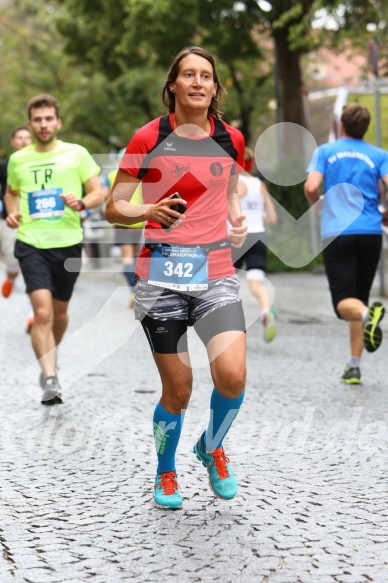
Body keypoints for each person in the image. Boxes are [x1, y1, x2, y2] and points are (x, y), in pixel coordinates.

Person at [105, 46, 248, 509]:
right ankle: (166, 474)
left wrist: (236, 217)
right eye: (188, 74)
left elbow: (228, 189)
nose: (198, 82)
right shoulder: (148, 137)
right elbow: (114, 207)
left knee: (232, 376)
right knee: (179, 390)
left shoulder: (232, 139)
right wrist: (147, 209)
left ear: (214, 87)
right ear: (173, 86)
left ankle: (211, 446)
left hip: (216, 272)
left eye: (206, 75)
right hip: (160, 275)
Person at [5, 94, 104, 405]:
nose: (43, 125)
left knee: (60, 314)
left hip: (68, 243)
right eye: (38, 119)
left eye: (49, 119)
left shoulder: (77, 154)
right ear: (30, 123)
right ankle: (49, 378)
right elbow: (11, 193)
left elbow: (100, 192)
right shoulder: (18, 159)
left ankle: (51, 355)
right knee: (43, 312)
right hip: (31, 243)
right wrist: (11, 212)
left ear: (58, 122)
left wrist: (82, 203)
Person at [304, 103, 388, 385]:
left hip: (338, 232)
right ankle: (354, 366)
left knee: (344, 304)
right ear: (366, 127)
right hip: (370, 233)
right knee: (357, 296)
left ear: (341, 125)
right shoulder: (379, 155)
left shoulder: (326, 152)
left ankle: (368, 314)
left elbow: (311, 187)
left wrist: (317, 206)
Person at [232, 147, 278, 342]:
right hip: (259, 236)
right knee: (255, 282)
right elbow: (273, 218)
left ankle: (233, 325)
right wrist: (257, 215)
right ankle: (266, 310)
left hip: (239, 236)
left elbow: (230, 208)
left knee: (228, 283)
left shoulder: (237, 184)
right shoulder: (260, 185)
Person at [107, 148, 145, 307]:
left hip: (122, 221)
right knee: (136, 259)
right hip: (140, 220)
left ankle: (134, 291)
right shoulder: (143, 176)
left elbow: (106, 195)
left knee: (127, 259)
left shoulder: (112, 176)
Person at [0, 126, 32, 298]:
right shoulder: (5, 165)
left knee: (33, 264)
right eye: (19, 138)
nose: (24, 141)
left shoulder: (38, 164)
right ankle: (11, 279)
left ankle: (33, 313)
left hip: (35, 221)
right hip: (10, 219)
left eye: (27, 137)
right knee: (12, 260)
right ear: (13, 142)